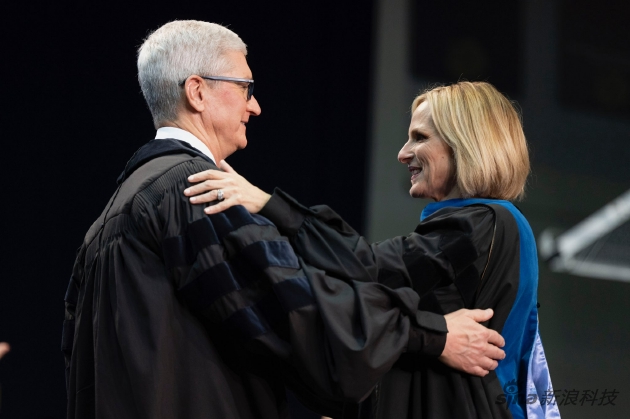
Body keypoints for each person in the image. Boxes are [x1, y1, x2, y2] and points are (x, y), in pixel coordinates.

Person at [63, 21, 505, 419]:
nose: (255, 108)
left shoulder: (110, 217)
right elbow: (293, 305)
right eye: (245, 88)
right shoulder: (196, 190)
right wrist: (430, 333)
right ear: (197, 92)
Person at [185, 81, 560, 418]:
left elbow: (368, 270)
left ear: (465, 144)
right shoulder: (495, 223)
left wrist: (269, 205)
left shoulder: (483, 222)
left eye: (420, 137)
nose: (403, 152)